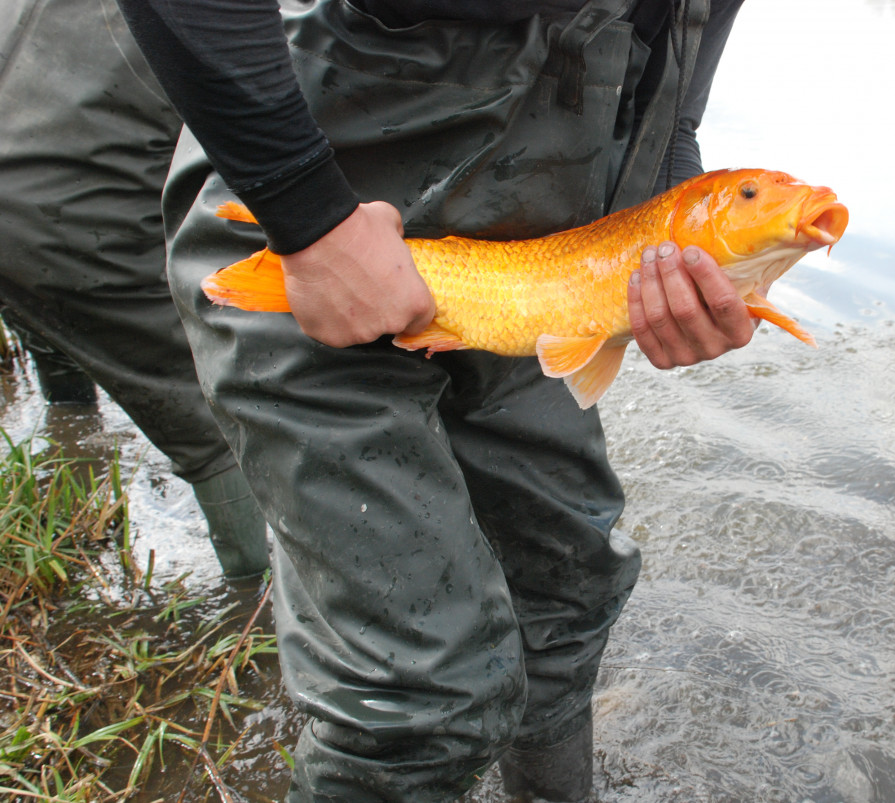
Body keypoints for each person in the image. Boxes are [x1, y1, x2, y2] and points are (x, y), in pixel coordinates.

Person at [117, 0, 750, 799]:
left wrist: (667, 244)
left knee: (564, 593)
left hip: (527, 265)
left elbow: (672, 92)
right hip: (314, 216)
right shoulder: (304, 213)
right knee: (417, 695)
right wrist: (305, 214)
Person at [0, 0, 269, 581]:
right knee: (218, 414)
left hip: (29, 177)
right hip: (67, 218)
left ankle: (69, 432)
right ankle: (255, 604)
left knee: (51, 314)